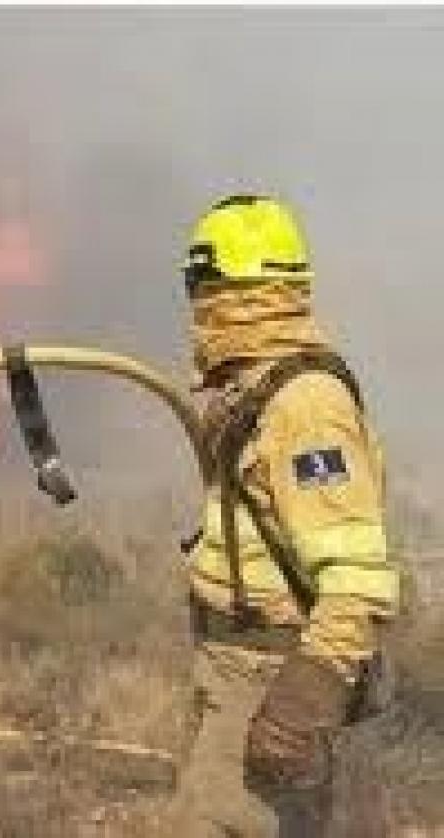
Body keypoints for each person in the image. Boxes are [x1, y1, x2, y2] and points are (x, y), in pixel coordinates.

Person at [169, 194, 400, 836]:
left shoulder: (305, 408)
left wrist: (300, 706)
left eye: (201, 286)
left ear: (225, 291)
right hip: (236, 671)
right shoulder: (256, 389)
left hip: (269, 677)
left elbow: (357, 582)